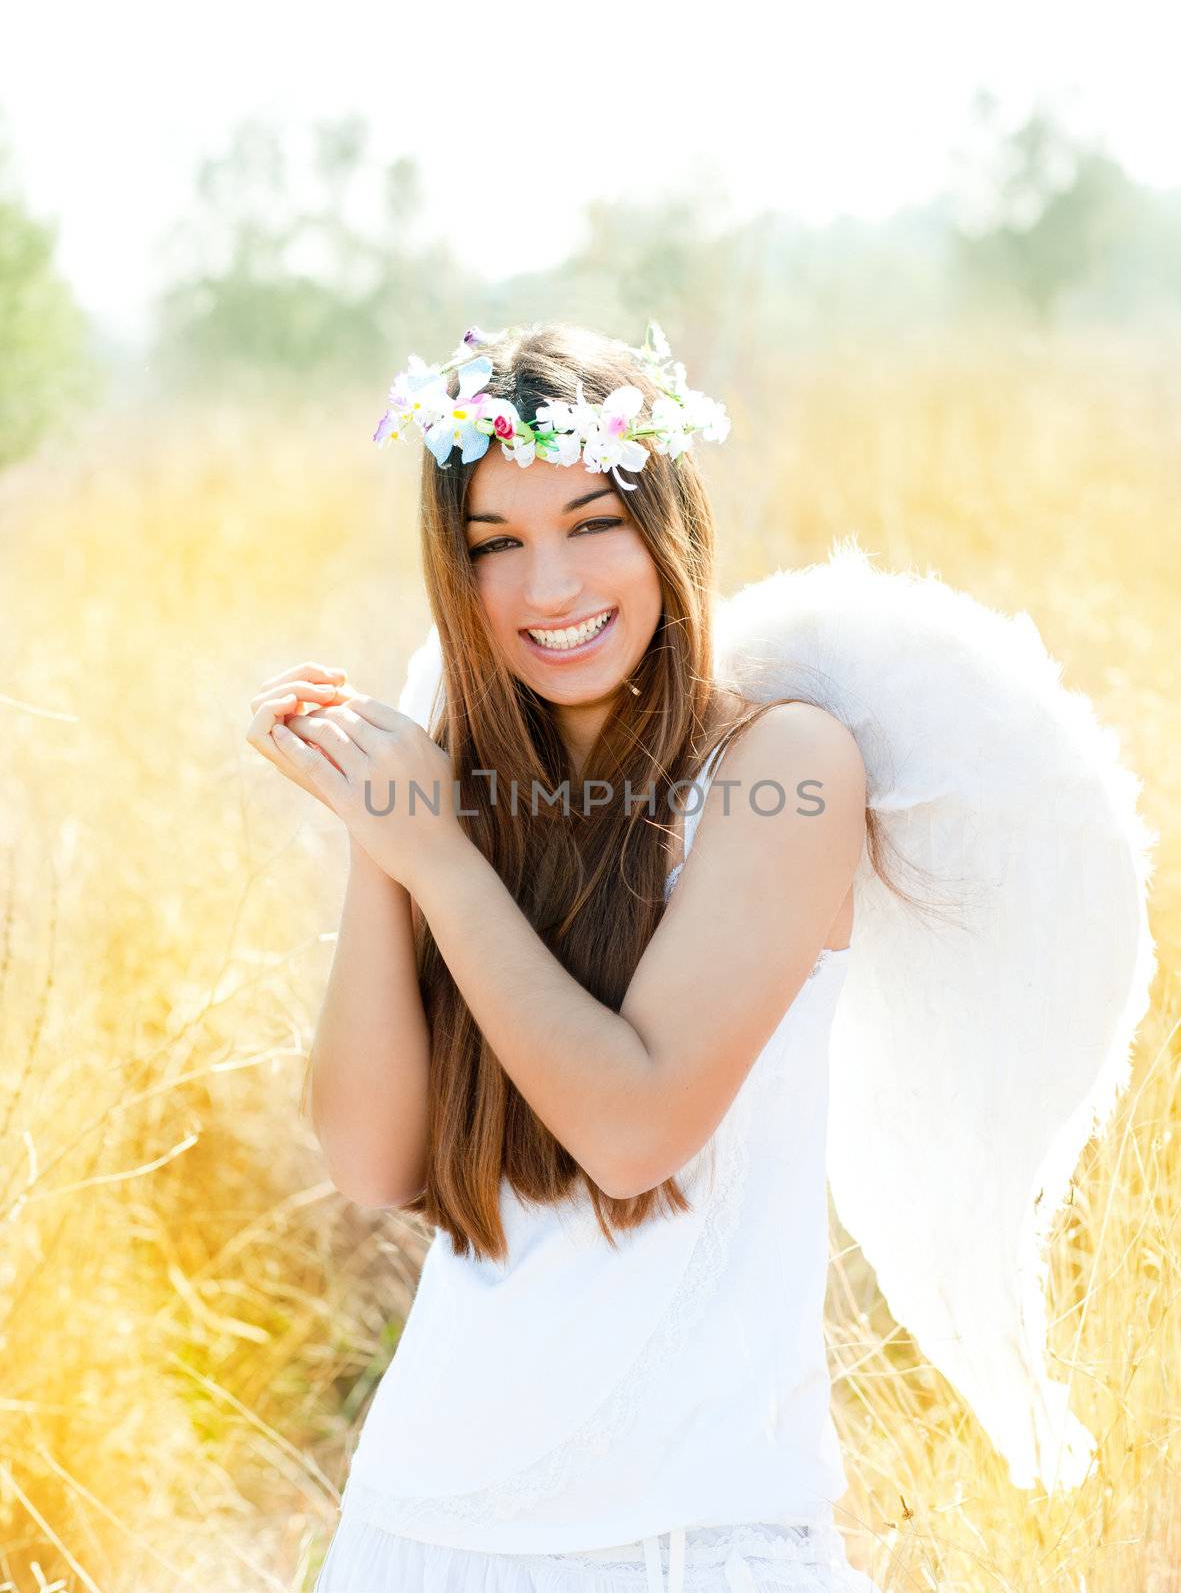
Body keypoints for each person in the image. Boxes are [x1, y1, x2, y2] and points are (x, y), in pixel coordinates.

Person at [245, 321, 1156, 1591]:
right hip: (416, 1520)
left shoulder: (776, 767)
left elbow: (633, 1129)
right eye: (493, 546)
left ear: (666, 519)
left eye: (591, 523)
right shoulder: (464, 788)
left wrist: (440, 863)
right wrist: (381, 838)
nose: (549, 587)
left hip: (684, 1528)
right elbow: (371, 1156)